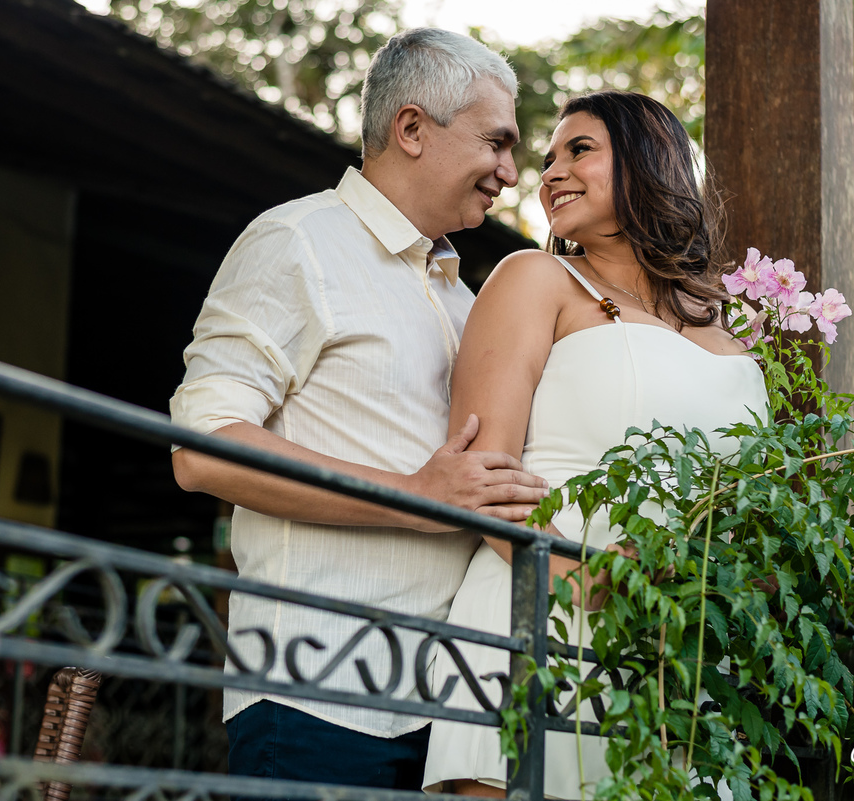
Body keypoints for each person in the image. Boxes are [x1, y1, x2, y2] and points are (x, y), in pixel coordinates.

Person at [169, 28, 550, 795]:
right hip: (318, 702)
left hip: (451, 717)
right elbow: (202, 447)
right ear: (412, 128)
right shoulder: (296, 242)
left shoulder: (468, 299)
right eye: (496, 142)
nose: (511, 173)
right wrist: (414, 496)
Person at [422, 90, 770, 798]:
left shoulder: (730, 333)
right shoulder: (536, 278)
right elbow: (481, 472)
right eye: (548, 158)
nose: (551, 172)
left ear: (651, 162)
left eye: (579, 150)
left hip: (679, 654)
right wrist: (589, 581)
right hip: (542, 614)